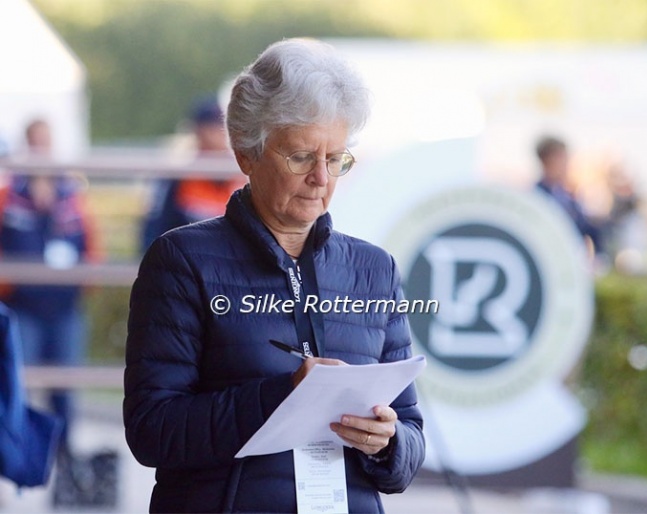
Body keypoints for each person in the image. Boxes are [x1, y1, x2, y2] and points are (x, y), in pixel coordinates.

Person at [124, 38, 425, 513]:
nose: (321, 179)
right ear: (247, 153)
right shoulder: (181, 261)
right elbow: (152, 430)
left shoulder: (374, 271)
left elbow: (409, 438)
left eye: (335, 159)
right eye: (302, 156)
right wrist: (280, 398)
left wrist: (387, 443)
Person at [0, 119, 99, 455]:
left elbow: (91, 242)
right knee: (19, 385)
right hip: (23, 307)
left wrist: (85, 283)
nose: (42, 150)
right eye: (35, 143)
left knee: (65, 389)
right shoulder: (9, 195)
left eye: (47, 142)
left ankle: (65, 457)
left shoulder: (72, 194)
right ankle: (17, 453)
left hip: (65, 307)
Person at [141, 97, 243, 252]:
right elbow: (155, 230)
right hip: (192, 262)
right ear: (197, 132)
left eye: (221, 128)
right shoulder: (180, 178)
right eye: (211, 128)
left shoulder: (244, 176)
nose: (216, 136)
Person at [534, 135, 604, 256]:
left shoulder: (570, 195)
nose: (567, 164)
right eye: (562, 158)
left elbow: (584, 227)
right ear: (547, 160)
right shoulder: (535, 197)